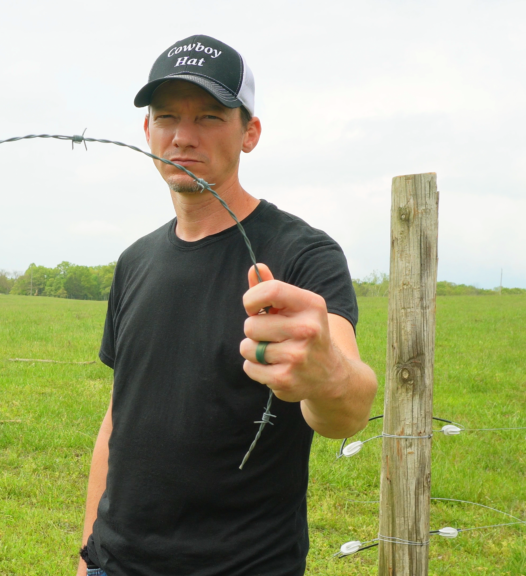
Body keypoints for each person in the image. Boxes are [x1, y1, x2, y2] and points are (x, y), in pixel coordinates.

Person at [77, 34, 378, 576]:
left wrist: (326, 374)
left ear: (250, 132)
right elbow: (118, 419)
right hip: (114, 565)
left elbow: (349, 406)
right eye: (166, 116)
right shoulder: (135, 261)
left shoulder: (302, 253)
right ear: (147, 131)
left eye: (211, 117)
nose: (183, 136)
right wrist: (88, 555)